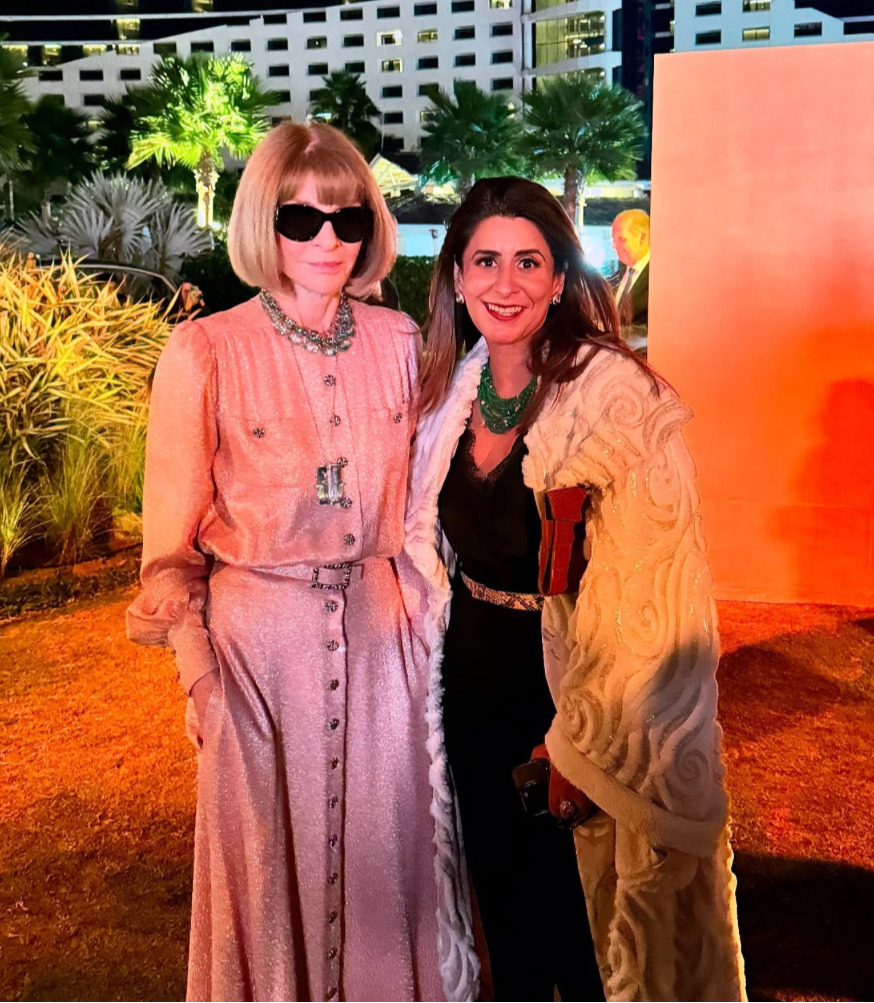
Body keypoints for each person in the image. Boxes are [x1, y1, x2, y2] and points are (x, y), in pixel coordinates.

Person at [126, 122, 471, 1003]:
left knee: (389, 868)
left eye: (348, 220)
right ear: (262, 223)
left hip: (384, 650)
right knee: (263, 881)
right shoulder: (205, 351)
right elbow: (167, 556)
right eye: (301, 217)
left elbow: (448, 478)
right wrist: (204, 682)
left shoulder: (403, 340)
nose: (327, 239)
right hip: (254, 658)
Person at [402, 177, 746, 1001]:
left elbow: (653, 594)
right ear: (456, 276)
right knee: (508, 924)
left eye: (529, 261)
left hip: (573, 701)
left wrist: (573, 742)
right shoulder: (447, 392)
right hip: (468, 688)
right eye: (484, 260)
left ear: (561, 279)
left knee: (589, 937)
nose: (505, 283)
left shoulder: (617, 400)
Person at [611, 208, 650, 354]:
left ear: (642, 237)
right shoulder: (617, 275)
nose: (615, 247)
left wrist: (609, 333)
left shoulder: (657, 278)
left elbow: (648, 330)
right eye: (613, 240)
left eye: (621, 239)